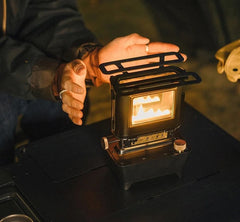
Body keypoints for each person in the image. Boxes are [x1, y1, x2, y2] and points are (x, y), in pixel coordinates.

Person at [0, 0, 184, 165]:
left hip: (21, 55)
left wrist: (88, 58)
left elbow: (48, 9)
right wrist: (49, 76)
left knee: (66, 113)